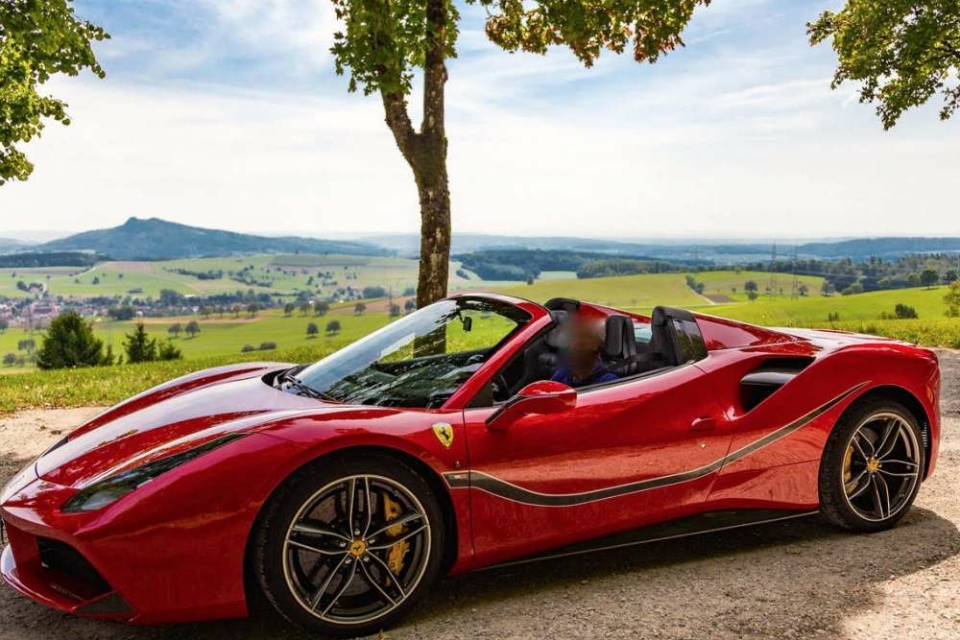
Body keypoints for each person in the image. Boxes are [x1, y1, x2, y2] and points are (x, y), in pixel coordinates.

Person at [550, 314, 618, 388]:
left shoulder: (608, 381)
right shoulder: (564, 371)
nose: (572, 345)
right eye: (572, 339)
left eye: (580, 339)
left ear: (594, 344)